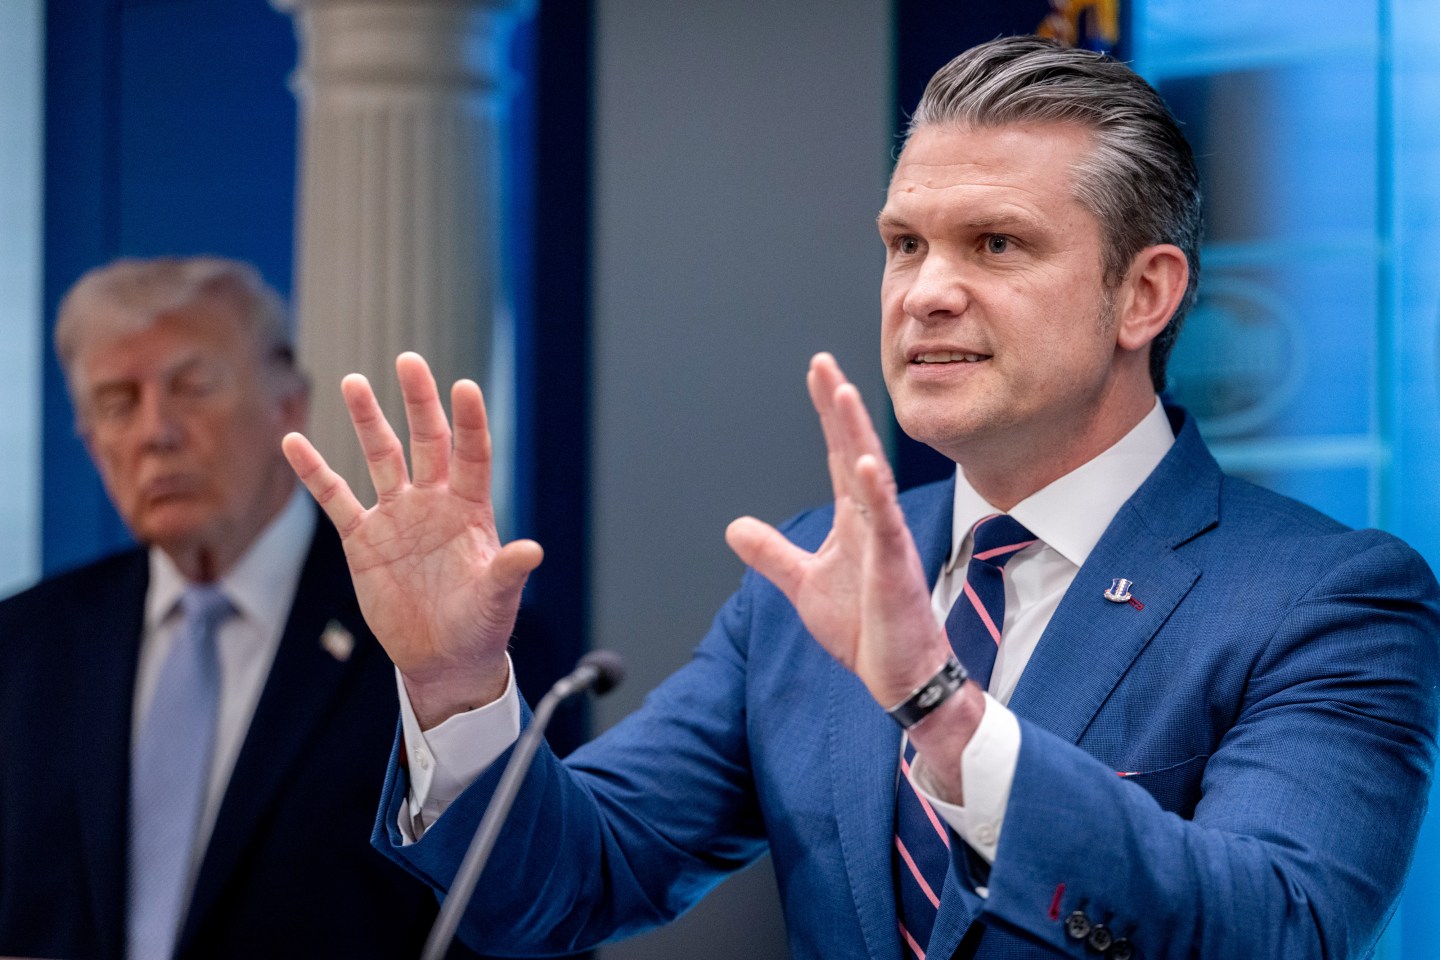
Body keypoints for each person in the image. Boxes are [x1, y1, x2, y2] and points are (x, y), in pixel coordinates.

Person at [282, 36, 1440, 960]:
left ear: (1144, 295)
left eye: (995, 244)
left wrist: (942, 710)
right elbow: (564, 888)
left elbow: (1280, 927)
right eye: (904, 244)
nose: (927, 292)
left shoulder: (1327, 599)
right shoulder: (808, 575)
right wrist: (454, 686)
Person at [0, 257, 478, 959]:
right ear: (91, 443)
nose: (154, 433)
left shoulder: (432, 640)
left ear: (288, 403)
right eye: (116, 403)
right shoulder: (22, 647)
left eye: (192, 388)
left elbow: (516, 917)